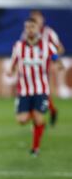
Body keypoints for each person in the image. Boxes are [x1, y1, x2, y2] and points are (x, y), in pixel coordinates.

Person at [8, 18, 60, 156]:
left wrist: (59, 64)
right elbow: (13, 64)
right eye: (27, 27)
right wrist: (10, 71)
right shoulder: (18, 46)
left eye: (32, 27)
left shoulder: (46, 45)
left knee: (38, 118)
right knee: (22, 120)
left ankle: (35, 148)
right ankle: (39, 113)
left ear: (38, 29)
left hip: (41, 89)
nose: (30, 29)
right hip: (24, 90)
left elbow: (55, 57)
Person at [29, 10, 65, 126]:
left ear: (42, 20)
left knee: (40, 93)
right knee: (37, 94)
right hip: (31, 69)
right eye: (33, 19)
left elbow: (60, 48)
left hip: (44, 67)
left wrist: (54, 61)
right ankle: (52, 110)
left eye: (37, 18)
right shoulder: (27, 34)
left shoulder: (49, 33)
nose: (35, 21)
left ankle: (38, 121)